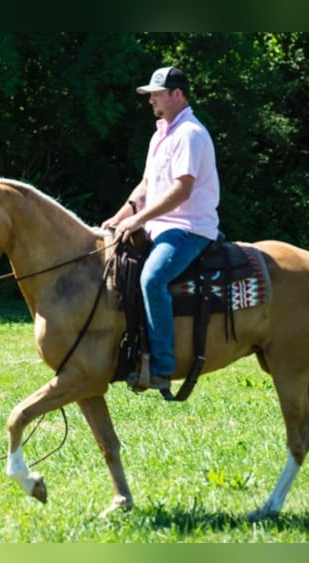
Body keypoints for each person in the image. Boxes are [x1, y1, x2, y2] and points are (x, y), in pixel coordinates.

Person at [102, 66, 221, 391]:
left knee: (152, 278)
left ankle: (162, 365)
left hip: (189, 228)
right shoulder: (161, 134)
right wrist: (119, 216)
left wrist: (137, 220)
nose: (151, 99)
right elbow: (146, 185)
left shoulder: (190, 134)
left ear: (177, 95)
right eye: (150, 94)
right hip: (160, 226)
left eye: (156, 93)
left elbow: (182, 190)